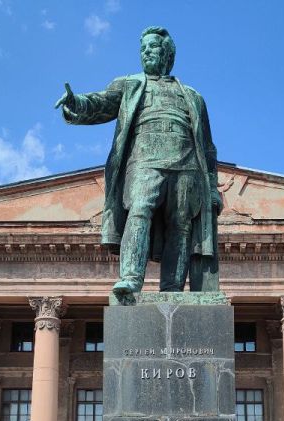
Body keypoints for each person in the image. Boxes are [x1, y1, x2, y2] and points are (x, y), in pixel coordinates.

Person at [55, 25, 223, 302]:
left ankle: (172, 288)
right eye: (142, 49)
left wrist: (213, 189)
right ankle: (131, 279)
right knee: (140, 209)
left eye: (152, 47)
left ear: (167, 53)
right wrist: (77, 102)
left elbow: (207, 147)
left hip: (187, 164)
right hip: (144, 159)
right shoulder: (130, 84)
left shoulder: (192, 96)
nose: (146, 53)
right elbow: (101, 102)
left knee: (180, 224)